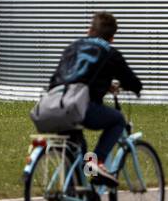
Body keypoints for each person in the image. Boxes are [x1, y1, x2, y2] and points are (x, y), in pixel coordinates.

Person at [47, 11, 142, 185]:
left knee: (77, 148)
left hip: (54, 106)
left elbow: (74, 77)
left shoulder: (72, 47)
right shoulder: (110, 53)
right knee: (118, 120)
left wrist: (105, 86)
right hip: (81, 107)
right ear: (112, 38)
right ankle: (97, 162)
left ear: (89, 30)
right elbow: (131, 81)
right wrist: (135, 88)